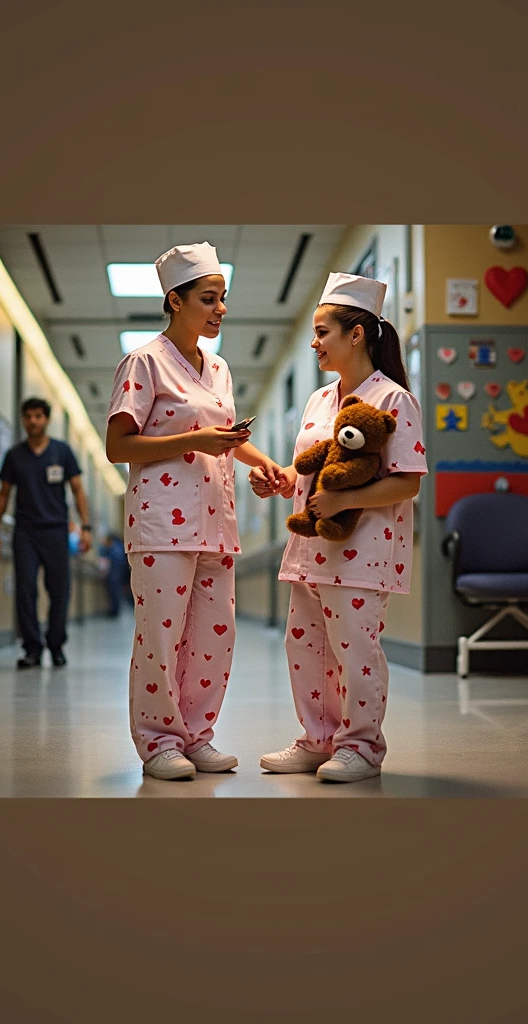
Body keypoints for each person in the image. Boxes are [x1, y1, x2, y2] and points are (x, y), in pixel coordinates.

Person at [105, 242, 284, 781]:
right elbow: (118, 447)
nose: (220, 309)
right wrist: (196, 438)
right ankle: (159, 742)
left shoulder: (221, 368)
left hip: (217, 523)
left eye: (223, 298)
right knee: (161, 637)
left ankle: (196, 736)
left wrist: (264, 462)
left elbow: (222, 439)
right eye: (209, 298)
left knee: (212, 637)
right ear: (174, 300)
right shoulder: (145, 362)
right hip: (161, 523)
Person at [251, 272, 428, 783]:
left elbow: (407, 484)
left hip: (363, 551)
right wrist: (282, 480)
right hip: (310, 549)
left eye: (322, 332)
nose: (314, 343)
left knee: (354, 651)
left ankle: (362, 748)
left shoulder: (393, 400)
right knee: (304, 648)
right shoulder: (318, 401)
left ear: (356, 334)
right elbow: (311, 467)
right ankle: (317, 740)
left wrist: (344, 499)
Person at [0, 397, 92, 669]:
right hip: (26, 532)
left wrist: (85, 527)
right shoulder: (15, 455)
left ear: (46, 420)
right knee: (25, 589)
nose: (33, 421)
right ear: (23, 420)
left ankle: (56, 645)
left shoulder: (62, 452)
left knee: (59, 590)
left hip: (56, 530)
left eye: (38, 416)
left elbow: (78, 489)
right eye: (28, 416)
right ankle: (32, 649)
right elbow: (3, 494)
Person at [98, 532, 131, 617]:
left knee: (114, 592)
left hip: (115, 574)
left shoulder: (115, 549)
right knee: (115, 592)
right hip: (118, 574)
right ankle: (114, 610)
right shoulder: (118, 548)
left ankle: (114, 611)